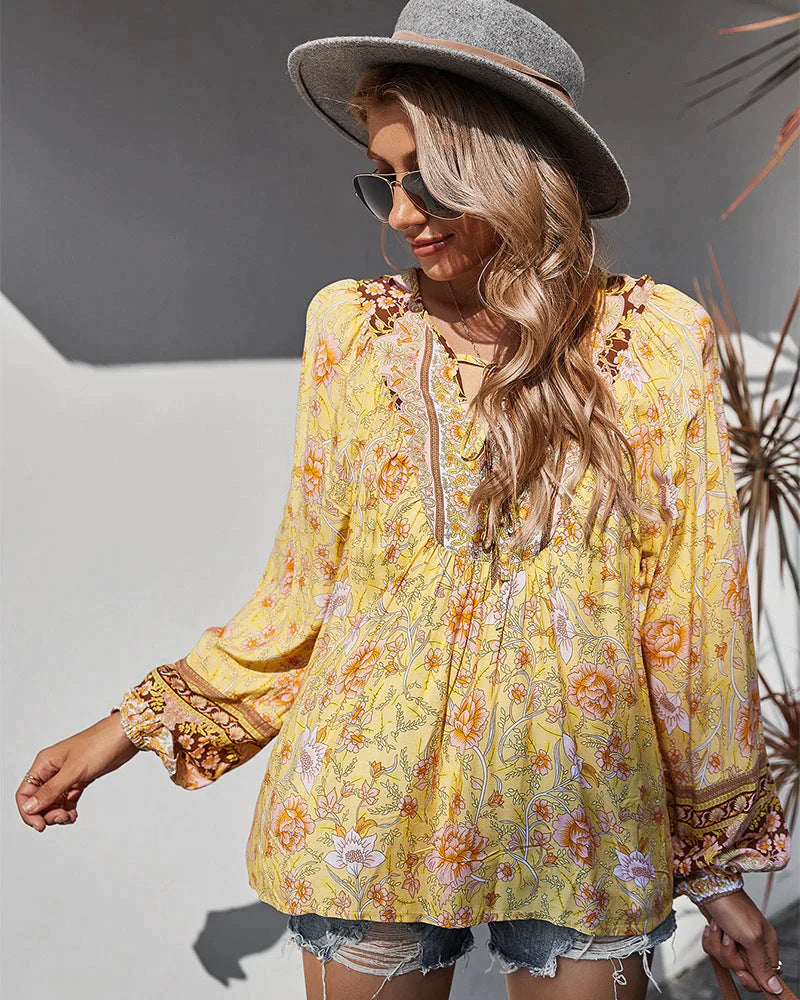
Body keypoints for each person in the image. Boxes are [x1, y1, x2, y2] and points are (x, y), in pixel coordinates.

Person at [16, 2, 793, 999]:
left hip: (585, 805)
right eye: (382, 179)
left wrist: (718, 872)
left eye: (426, 178)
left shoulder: (655, 342)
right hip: (367, 801)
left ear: (509, 169)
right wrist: (123, 730)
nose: (400, 214)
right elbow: (305, 589)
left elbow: (692, 617)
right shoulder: (352, 332)